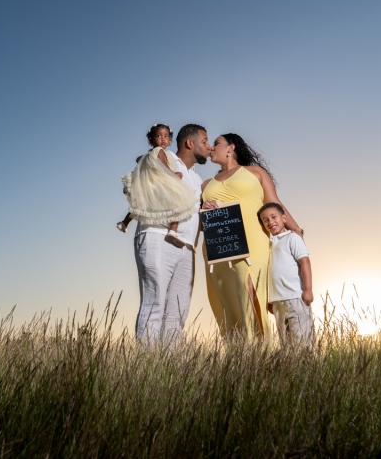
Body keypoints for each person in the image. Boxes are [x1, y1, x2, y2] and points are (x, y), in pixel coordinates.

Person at [201, 133, 303, 340]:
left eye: (217, 143)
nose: (211, 147)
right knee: (227, 301)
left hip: (252, 243)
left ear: (231, 148)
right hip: (218, 248)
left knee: (251, 292)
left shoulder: (255, 172)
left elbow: (274, 203)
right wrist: (203, 208)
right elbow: (201, 224)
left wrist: (297, 231)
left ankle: (262, 353)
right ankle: (238, 357)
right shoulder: (205, 185)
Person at [131, 124, 212, 344]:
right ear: (189, 143)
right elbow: (142, 162)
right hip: (158, 235)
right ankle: (145, 366)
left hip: (187, 246)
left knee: (178, 309)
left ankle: (170, 368)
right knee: (154, 302)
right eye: (204, 141)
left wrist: (209, 211)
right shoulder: (164, 158)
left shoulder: (195, 177)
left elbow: (192, 214)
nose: (209, 147)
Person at [117, 124, 189, 247]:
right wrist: (174, 175)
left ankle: (124, 223)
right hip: (161, 183)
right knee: (177, 204)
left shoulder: (150, 153)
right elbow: (163, 167)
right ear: (151, 139)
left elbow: (138, 159)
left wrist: (145, 158)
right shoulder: (159, 151)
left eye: (166, 136)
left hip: (150, 184)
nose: (163, 139)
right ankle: (173, 230)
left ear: (170, 139)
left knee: (139, 205)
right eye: (159, 136)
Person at [260, 202, 315, 347]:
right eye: (265, 220)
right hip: (278, 303)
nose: (270, 222)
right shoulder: (269, 244)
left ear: (284, 218)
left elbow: (305, 262)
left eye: (274, 217)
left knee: (303, 342)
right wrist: (271, 300)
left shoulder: (292, 238)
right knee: (286, 345)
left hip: (296, 298)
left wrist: (308, 290)